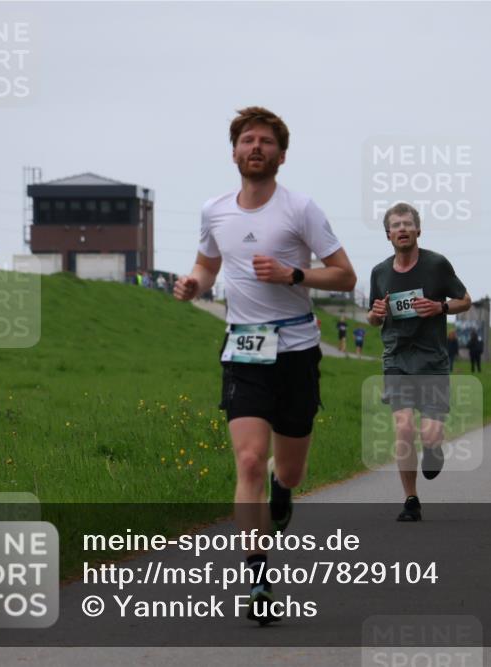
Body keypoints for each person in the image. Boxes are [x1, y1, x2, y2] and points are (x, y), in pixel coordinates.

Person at [173, 106, 356, 624]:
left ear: (281, 154)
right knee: (250, 460)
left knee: (289, 469)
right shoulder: (214, 210)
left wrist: (293, 274)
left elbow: (344, 276)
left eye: (266, 142)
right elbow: (208, 264)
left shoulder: (301, 210)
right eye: (247, 140)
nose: (256, 148)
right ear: (233, 152)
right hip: (243, 350)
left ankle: (284, 491)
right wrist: (193, 285)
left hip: (297, 351)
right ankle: (257, 575)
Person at [367, 202, 471, 522]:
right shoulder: (380, 272)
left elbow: (465, 300)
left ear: (418, 230)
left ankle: (434, 448)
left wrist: (440, 307)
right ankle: (410, 499)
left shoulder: (437, 265)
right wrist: (376, 315)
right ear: (388, 234)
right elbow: (372, 317)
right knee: (403, 426)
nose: (402, 229)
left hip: (432, 360)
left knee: (429, 434)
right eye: (395, 225)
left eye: (407, 224)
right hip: (396, 357)